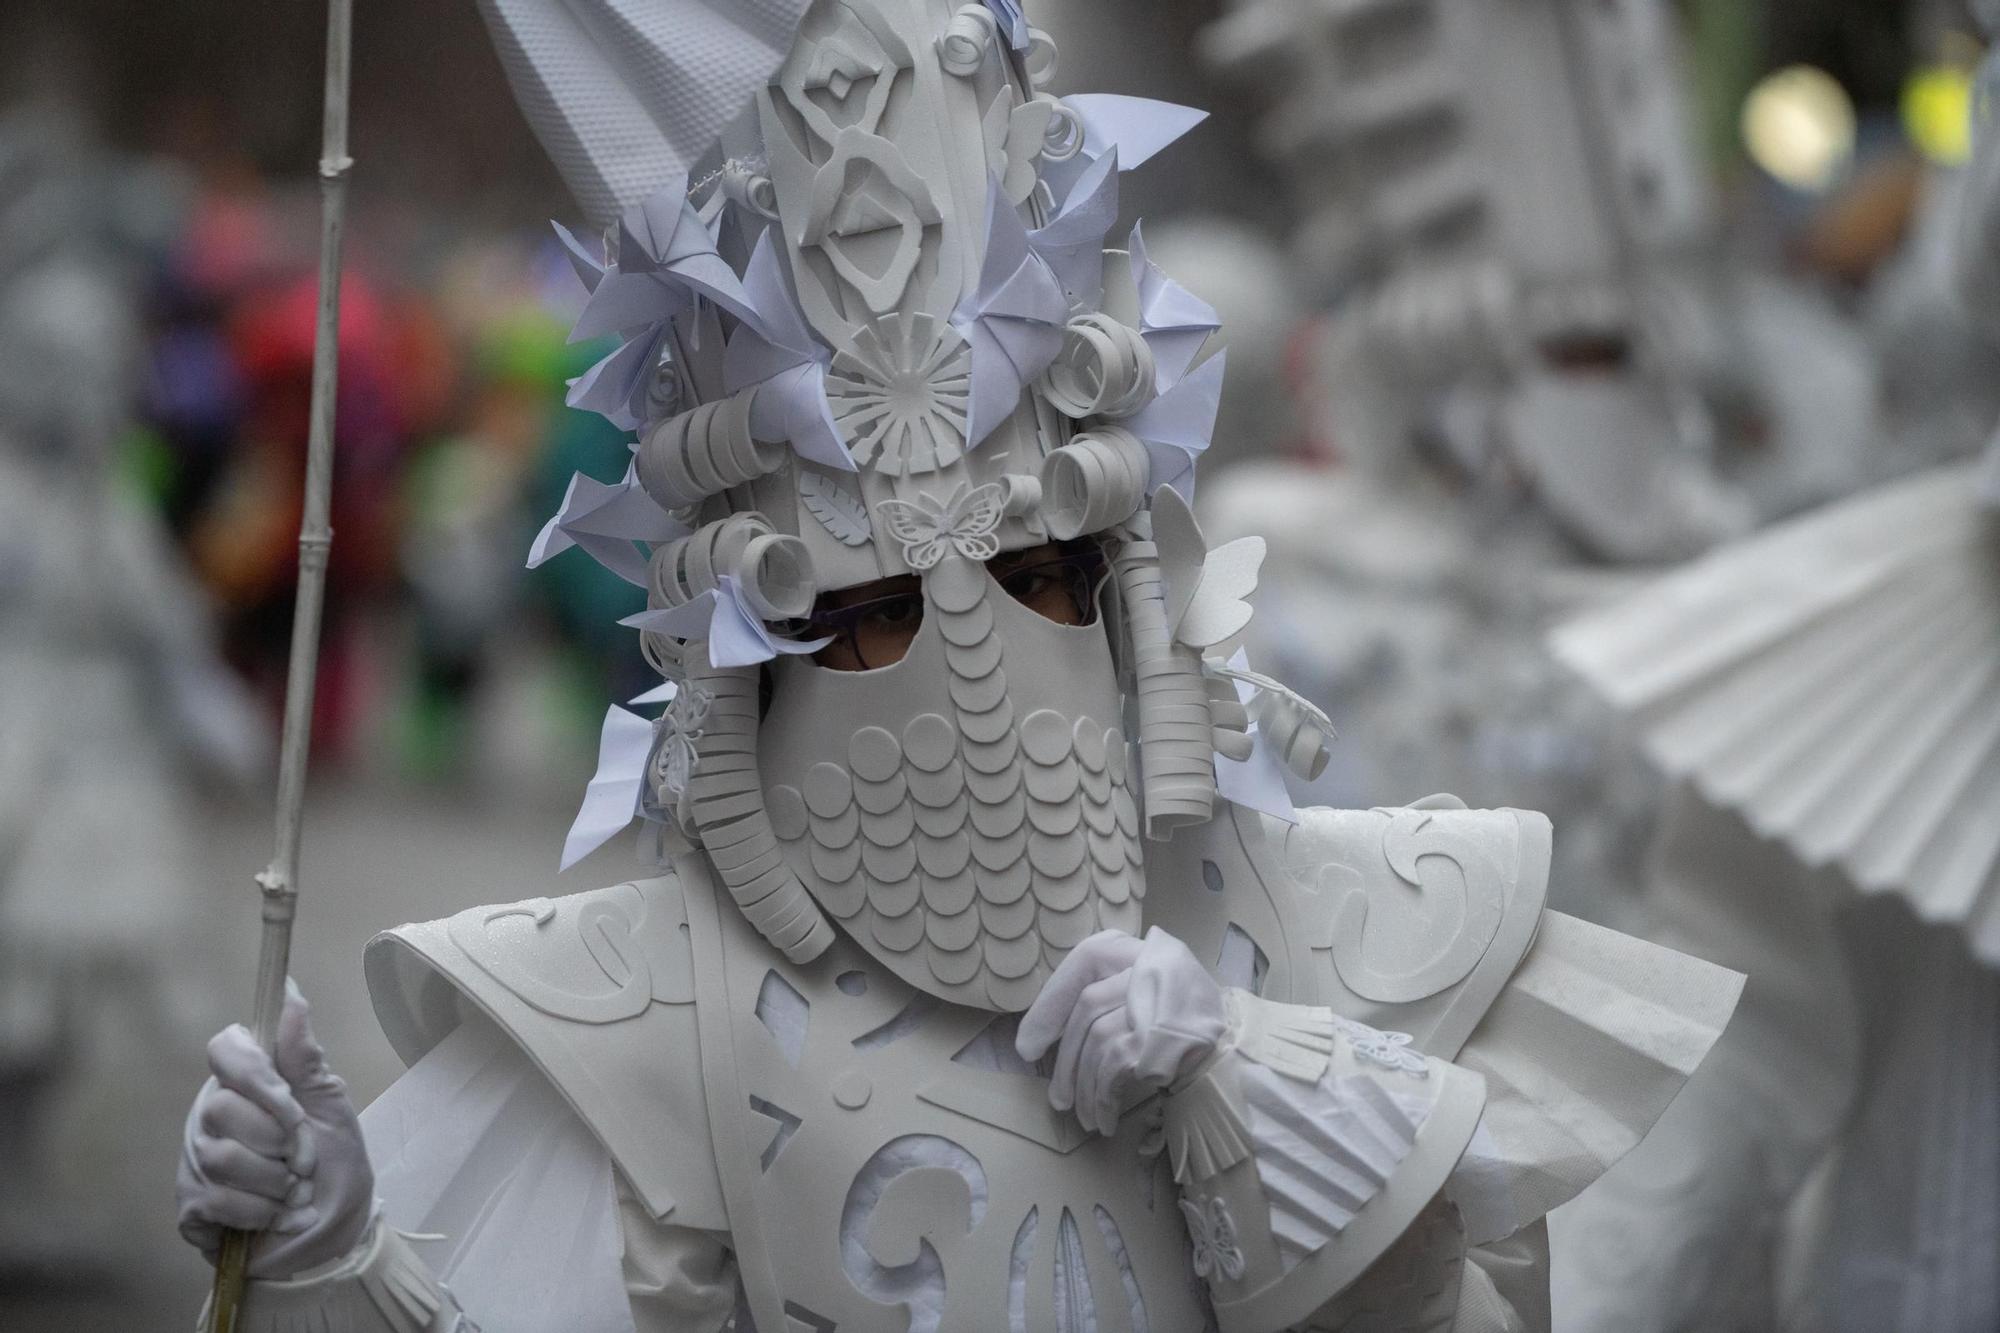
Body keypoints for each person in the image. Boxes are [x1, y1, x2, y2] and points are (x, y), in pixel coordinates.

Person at [172, 1, 1742, 1328]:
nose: (977, 668)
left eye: (1043, 575)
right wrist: (333, 1247)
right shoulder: (662, 1014)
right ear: (756, 656)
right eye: (866, 617)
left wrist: (1244, 1075)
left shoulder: (1321, 922)